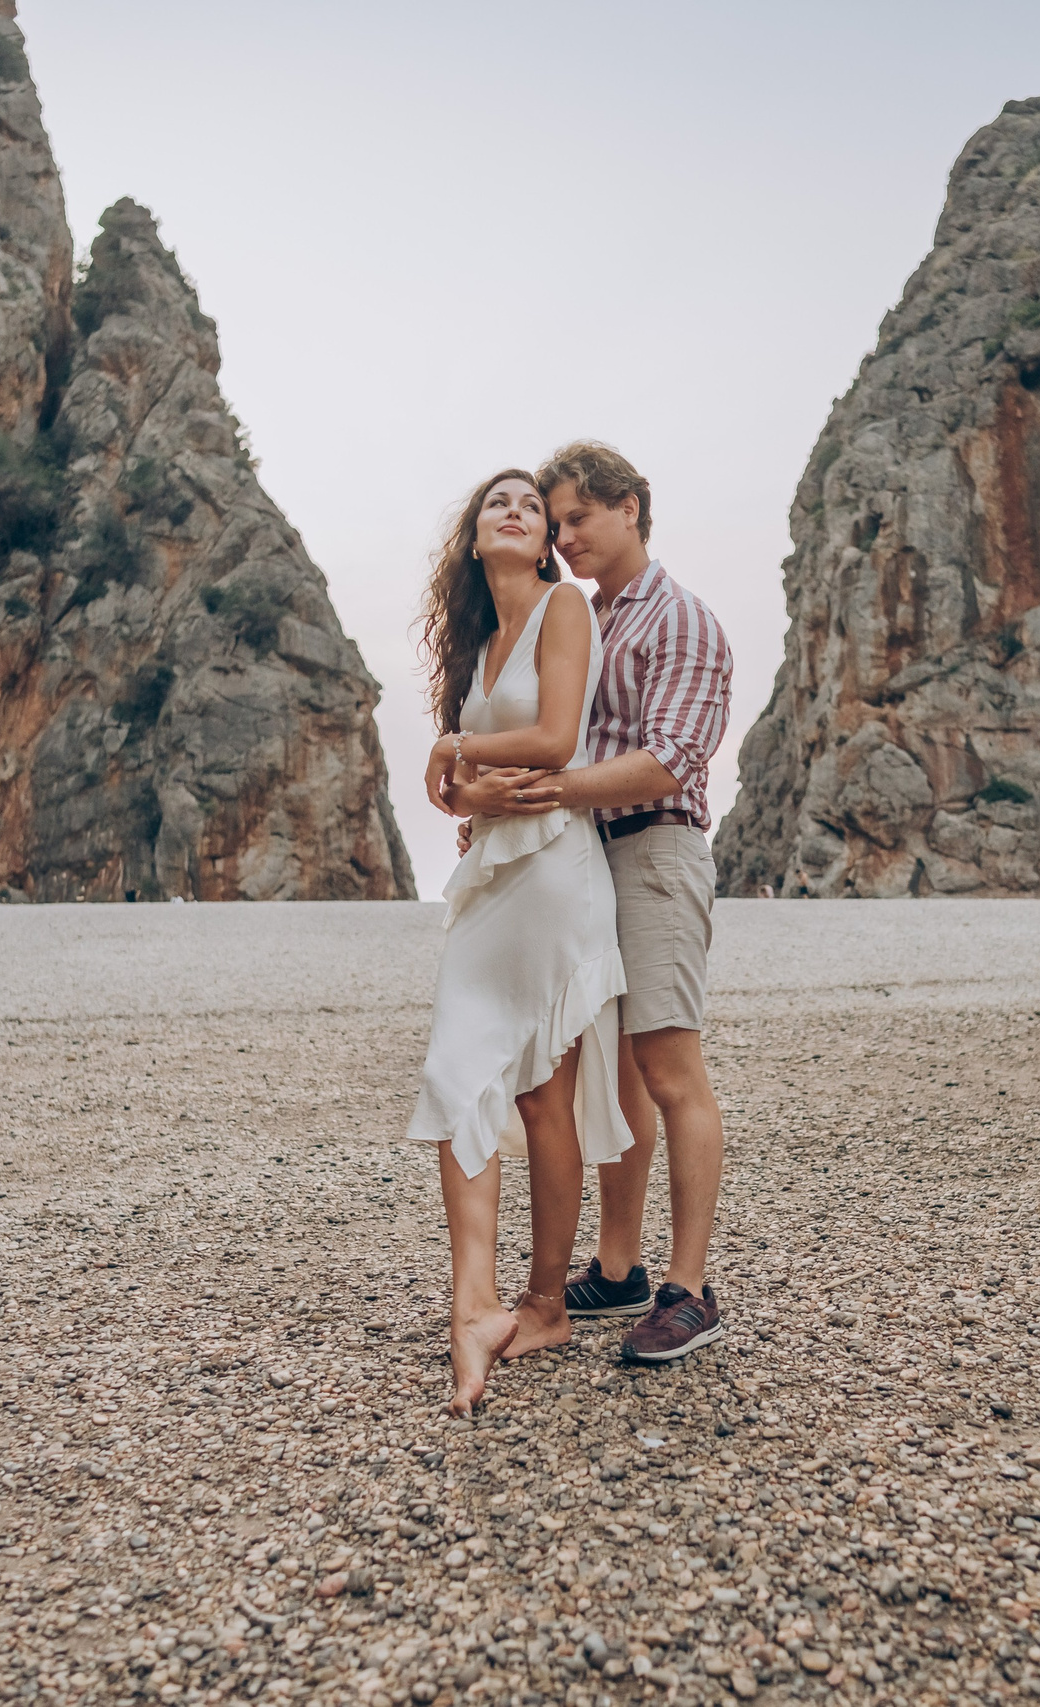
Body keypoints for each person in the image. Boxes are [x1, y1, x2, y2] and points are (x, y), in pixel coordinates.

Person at [449, 441, 732, 1364]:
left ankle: (687, 1288)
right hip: (581, 860)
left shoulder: (679, 620)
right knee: (610, 1075)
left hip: (652, 848)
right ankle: (615, 1269)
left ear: (631, 509)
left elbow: (665, 761)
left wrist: (549, 792)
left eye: (577, 518)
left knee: (668, 1063)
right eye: (555, 521)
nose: (564, 536)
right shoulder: (583, 617)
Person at [405, 469, 630, 1415]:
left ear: (542, 543)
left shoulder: (562, 608)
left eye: (530, 507)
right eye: (498, 502)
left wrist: (453, 754)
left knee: (544, 1096)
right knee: (460, 1070)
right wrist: (460, 785)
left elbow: (553, 736)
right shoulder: (478, 644)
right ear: (475, 537)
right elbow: (456, 795)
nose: (515, 510)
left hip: (553, 871)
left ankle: (546, 1304)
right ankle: (474, 1304)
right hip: (493, 869)